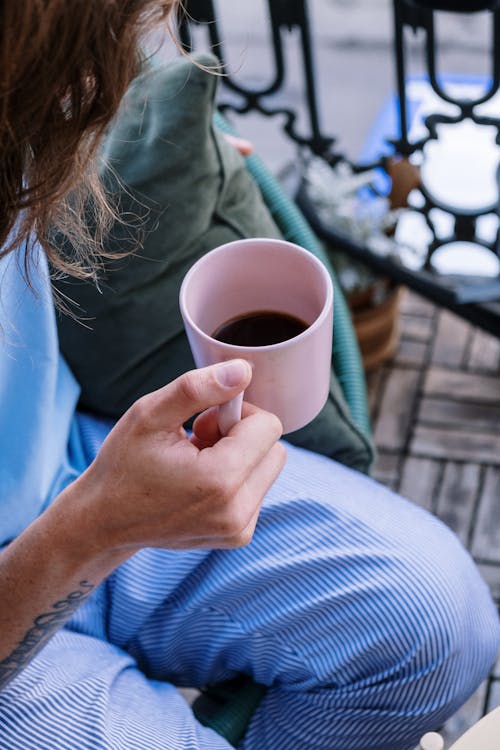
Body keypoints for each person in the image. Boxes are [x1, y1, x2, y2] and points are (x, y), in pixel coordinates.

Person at [0, 2, 498, 749]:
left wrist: (119, 150)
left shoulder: (31, 116)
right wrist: (96, 527)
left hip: (65, 455)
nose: (105, 78)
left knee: (442, 624)